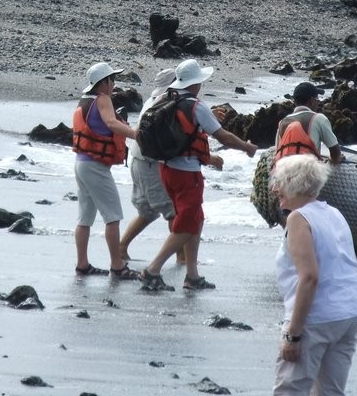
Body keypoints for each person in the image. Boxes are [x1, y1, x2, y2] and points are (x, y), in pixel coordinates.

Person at [138, 58, 257, 291]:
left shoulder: (166, 98)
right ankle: (152, 270)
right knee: (185, 225)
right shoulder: (196, 106)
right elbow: (223, 137)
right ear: (196, 83)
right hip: (187, 174)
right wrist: (247, 147)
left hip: (166, 169)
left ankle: (192, 275)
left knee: (196, 219)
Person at [270, 154, 357, 396]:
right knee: (331, 391)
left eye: (278, 183)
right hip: (350, 312)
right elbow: (353, 267)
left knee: (290, 389)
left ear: (293, 183)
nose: (275, 189)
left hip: (317, 317)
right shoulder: (334, 214)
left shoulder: (298, 218)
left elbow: (310, 277)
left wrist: (293, 335)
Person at [71, 62, 141, 280]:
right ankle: (117, 266)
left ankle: (82, 265)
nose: (114, 84)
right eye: (112, 80)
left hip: (81, 164)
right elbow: (111, 123)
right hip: (95, 167)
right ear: (103, 82)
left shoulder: (85, 101)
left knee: (84, 218)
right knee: (113, 217)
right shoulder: (102, 99)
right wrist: (137, 134)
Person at [119, 67, 184, 264]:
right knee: (173, 212)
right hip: (150, 165)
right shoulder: (166, 104)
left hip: (137, 161)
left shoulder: (152, 100)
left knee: (147, 211)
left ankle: (121, 247)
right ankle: (181, 257)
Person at [275, 82, 343, 166]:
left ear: (295, 102)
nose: (318, 102)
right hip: (309, 170)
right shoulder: (319, 118)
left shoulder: (282, 122)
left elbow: (277, 152)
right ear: (311, 101)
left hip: (284, 170)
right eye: (317, 99)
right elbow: (335, 152)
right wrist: (334, 160)